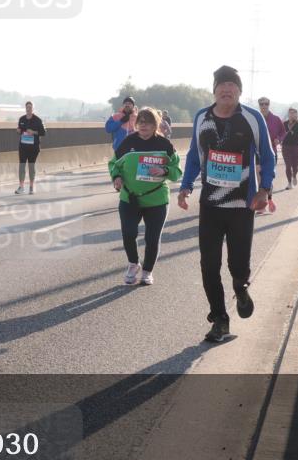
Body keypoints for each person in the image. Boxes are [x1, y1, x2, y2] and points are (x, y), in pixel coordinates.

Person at [178, 66, 274, 343]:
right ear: (214, 90)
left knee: (238, 265)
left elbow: (267, 156)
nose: (227, 89)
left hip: (242, 205)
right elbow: (195, 157)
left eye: (232, 85)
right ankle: (219, 319)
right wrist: (185, 187)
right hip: (210, 204)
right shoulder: (202, 118)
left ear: (240, 91)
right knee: (208, 265)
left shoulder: (252, 118)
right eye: (222, 85)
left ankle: (241, 288)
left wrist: (265, 189)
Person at [109, 108, 181, 286]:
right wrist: (116, 177)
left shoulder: (165, 145)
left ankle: (147, 271)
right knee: (128, 233)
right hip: (130, 198)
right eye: (140, 121)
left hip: (156, 199)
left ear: (155, 125)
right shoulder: (128, 142)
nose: (143, 125)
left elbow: (177, 172)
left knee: (152, 238)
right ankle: (133, 264)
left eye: (148, 122)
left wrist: (165, 170)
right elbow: (114, 164)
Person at [257, 97, 285, 214]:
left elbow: (283, 132)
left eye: (266, 104)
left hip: (271, 153)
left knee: (267, 178)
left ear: (269, 105)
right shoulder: (256, 118)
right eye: (262, 104)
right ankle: (262, 205)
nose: (264, 106)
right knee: (259, 179)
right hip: (257, 154)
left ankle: (269, 199)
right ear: (259, 105)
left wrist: (278, 139)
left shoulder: (276, 119)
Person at [15, 101, 46, 194]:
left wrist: (33, 132)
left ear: (33, 109)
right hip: (23, 146)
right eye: (27, 107)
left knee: (31, 167)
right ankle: (21, 187)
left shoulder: (38, 120)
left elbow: (43, 132)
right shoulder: (22, 119)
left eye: (30, 107)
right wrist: (18, 131)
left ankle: (31, 187)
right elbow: (20, 130)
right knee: (21, 166)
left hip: (33, 147)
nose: (28, 109)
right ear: (25, 108)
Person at [281, 108, 298, 188]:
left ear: (296, 114)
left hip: (296, 147)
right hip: (285, 146)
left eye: (294, 113)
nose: (292, 114)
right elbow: (279, 133)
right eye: (290, 113)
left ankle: (294, 176)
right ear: (288, 114)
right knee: (288, 166)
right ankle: (289, 183)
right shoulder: (284, 124)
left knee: (295, 167)